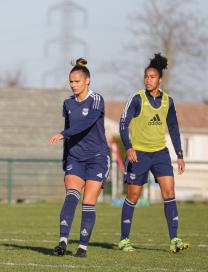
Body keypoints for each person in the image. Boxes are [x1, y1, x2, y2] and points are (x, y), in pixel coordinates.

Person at [118, 53, 189, 253]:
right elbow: (123, 124)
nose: (148, 80)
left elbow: (174, 128)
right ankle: (124, 239)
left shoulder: (168, 101)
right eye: (146, 77)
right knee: (134, 196)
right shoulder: (137, 98)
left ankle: (174, 239)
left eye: (152, 77)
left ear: (160, 79)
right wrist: (129, 146)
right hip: (138, 154)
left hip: (160, 154)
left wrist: (180, 155)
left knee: (169, 193)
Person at [49, 58, 110, 258]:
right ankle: (62, 242)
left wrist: (63, 134)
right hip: (75, 157)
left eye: (77, 81)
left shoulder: (97, 100)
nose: (74, 85)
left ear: (87, 81)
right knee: (71, 195)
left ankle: (82, 247)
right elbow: (70, 130)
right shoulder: (67, 103)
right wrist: (65, 158)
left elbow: (88, 122)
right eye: (71, 82)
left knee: (88, 201)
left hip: (97, 158)